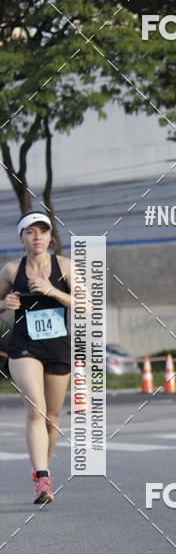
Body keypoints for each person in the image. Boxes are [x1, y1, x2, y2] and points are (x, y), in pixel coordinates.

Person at [0, 211, 73, 504]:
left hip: (57, 347)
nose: (37, 236)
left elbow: (88, 305)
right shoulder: (10, 270)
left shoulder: (65, 266)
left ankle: (43, 474)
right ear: (22, 238)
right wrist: (4, 303)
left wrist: (53, 291)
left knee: (52, 418)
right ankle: (41, 476)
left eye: (43, 231)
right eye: (31, 232)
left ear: (50, 237)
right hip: (24, 346)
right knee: (36, 407)